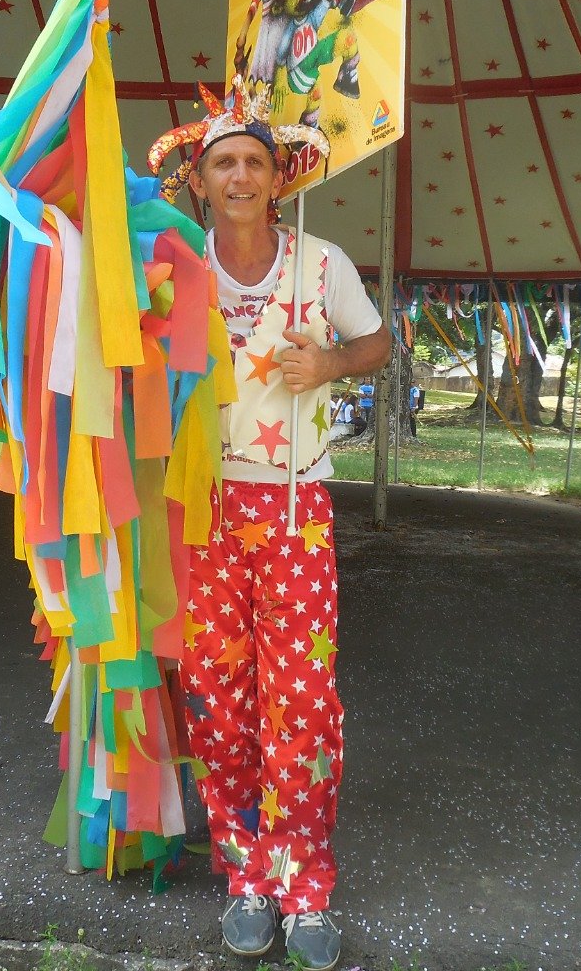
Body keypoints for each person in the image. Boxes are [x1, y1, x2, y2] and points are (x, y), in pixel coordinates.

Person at [149, 83, 390, 971]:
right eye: (224, 163)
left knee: (300, 702)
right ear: (202, 183)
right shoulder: (178, 268)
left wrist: (329, 359)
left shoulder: (321, 264)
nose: (241, 175)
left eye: (255, 161)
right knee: (218, 700)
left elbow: (378, 343)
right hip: (207, 509)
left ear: (277, 178)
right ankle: (247, 874)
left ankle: (306, 884)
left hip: (296, 511)